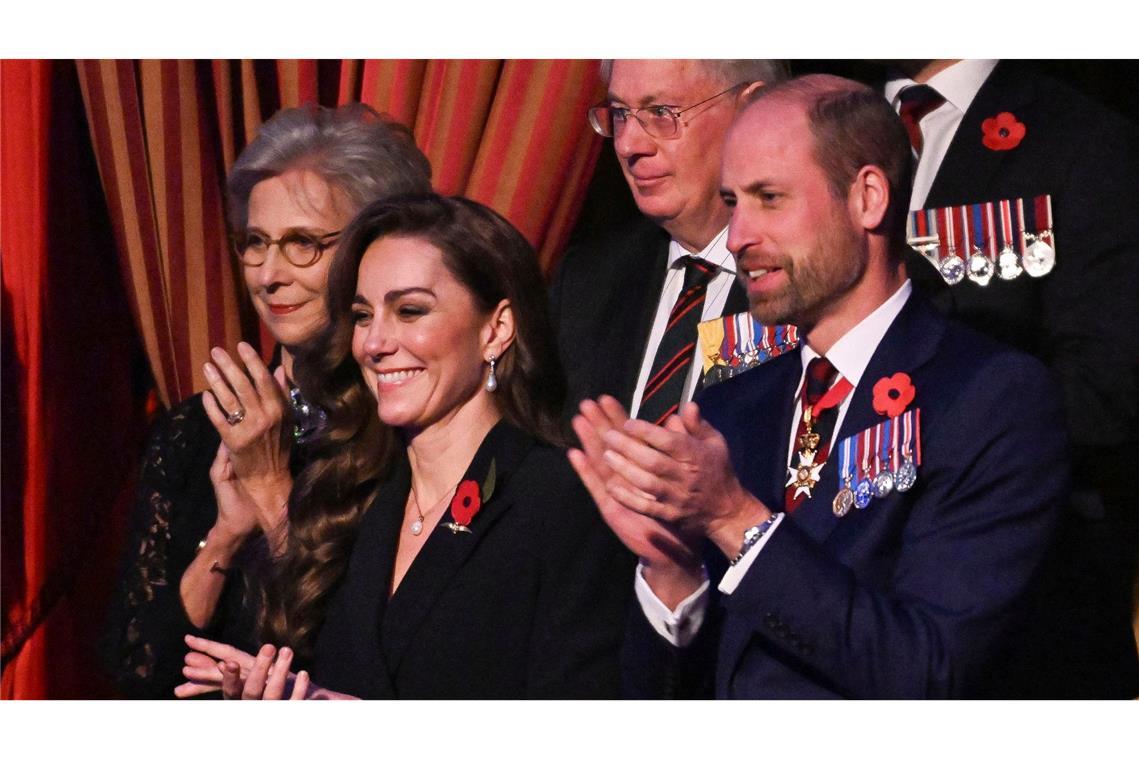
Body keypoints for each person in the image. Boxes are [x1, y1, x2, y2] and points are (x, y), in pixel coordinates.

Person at [569, 75, 1069, 698]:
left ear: (867, 197)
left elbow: (931, 670)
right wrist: (672, 573)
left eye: (769, 198)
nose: (740, 235)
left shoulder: (990, 399)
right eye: (733, 202)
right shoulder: (728, 405)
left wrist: (735, 520)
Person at [177, 194, 634, 699]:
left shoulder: (562, 500)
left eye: (410, 310)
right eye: (363, 315)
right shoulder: (351, 492)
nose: (374, 344)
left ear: (497, 328)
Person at [101, 103, 432, 698]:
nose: (268, 274)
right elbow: (138, 671)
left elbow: (364, 666)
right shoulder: (194, 429)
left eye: (302, 244)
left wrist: (272, 488)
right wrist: (227, 534)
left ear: (374, 250)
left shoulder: (410, 432)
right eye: (255, 242)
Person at [883, 59, 1139, 698]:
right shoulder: (820, 123)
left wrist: (905, 462)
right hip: (830, 610)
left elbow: (1105, 390)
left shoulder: (1081, 140)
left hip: (1015, 615)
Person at [550, 59, 786, 424]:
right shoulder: (587, 281)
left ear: (751, 110)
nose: (629, 145)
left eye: (661, 112)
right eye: (619, 114)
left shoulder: (815, 278)